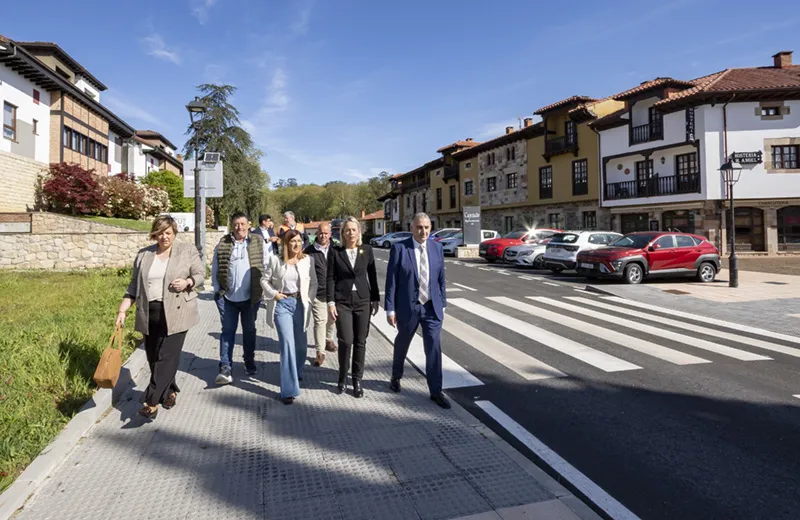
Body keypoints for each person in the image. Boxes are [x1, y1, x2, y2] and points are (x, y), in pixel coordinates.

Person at [116, 215, 204, 419]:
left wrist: (188, 282)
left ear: (174, 233)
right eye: (160, 233)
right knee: (154, 357)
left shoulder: (186, 251)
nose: (164, 237)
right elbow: (133, 285)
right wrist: (123, 310)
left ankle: (151, 401)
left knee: (166, 356)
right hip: (150, 312)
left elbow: (200, 274)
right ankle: (169, 391)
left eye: (168, 233)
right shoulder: (143, 255)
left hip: (178, 311)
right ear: (154, 233)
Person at [384, 212, 450, 409]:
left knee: (434, 348)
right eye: (419, 227)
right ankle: (396, 376)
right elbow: (391, 281)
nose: (423, 231)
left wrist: (443, 303)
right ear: (412, 228)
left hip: (431, 307)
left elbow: (441, 279)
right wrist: (390, 309)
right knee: (402, 344)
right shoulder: (399, 248)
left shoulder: (437, 248)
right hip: (408, 307)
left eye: (427, 228)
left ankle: (436, 391)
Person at [211, 212, 269, 385]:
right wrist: (216, 289)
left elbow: (266, 264)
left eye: (243, 224)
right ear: (232, 225)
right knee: (227, 331)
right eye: (236, 224)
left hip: (251, 298)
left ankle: (249, 362)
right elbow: (215, 266)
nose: (240, 227)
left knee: (249, 331)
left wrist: (264, 288)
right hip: (227, 297)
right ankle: (225, 367)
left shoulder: (257, 241)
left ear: (248, 225)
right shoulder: (223, 243)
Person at [261, 229, 317, 404]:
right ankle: (288, 389)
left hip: (300, 304)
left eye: (299, 241)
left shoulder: (308, 260)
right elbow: (264, 280)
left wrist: (309, 298)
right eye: (293, 241)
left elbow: (314, 283)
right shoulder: (275, 261)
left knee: (301, 346)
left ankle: (296, 371)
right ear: (286, 243)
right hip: (282, 304)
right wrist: (274, 294)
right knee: (287, 344)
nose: (296, 244)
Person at [327, 217, 380, 398]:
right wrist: (330, 302)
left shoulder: (367, 250)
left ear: (359, 232)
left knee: (360, 341)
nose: (350, 233)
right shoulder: (335, 251)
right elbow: (330, 278)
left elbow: (372, 275)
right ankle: (342, 376)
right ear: (342, 233)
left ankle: (357, 380)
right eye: (347, 230)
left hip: (363, 300)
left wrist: (375, 299)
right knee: (346, 340)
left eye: (353, 230)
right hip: (342, 301)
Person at [303, 222, 337, 367]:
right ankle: (320, 352)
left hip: (334, 292)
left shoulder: (336, 249)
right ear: (317, 234)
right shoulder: (309, 251)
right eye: (321, 233)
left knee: (332, 319)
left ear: (330, 234)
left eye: (326, 233)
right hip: (318, 292)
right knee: (320, 321)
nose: (323, 236)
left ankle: (328, 339)